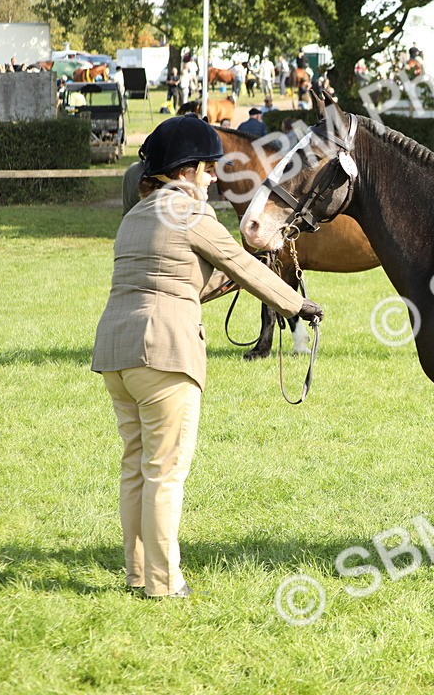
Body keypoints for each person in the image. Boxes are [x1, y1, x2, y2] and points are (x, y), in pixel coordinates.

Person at [91, 115, 325, 599]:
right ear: (185, 169)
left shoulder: (135, 216)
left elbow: (190, 283)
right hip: (164, 355)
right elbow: (238, 259)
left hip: (117, 353)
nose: (214, 177)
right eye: (208, 169)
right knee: (165, 471)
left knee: (136, 467)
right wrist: (296, 304)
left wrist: (237, 277)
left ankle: (137, 572)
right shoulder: (190, 213)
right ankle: (162, 582)